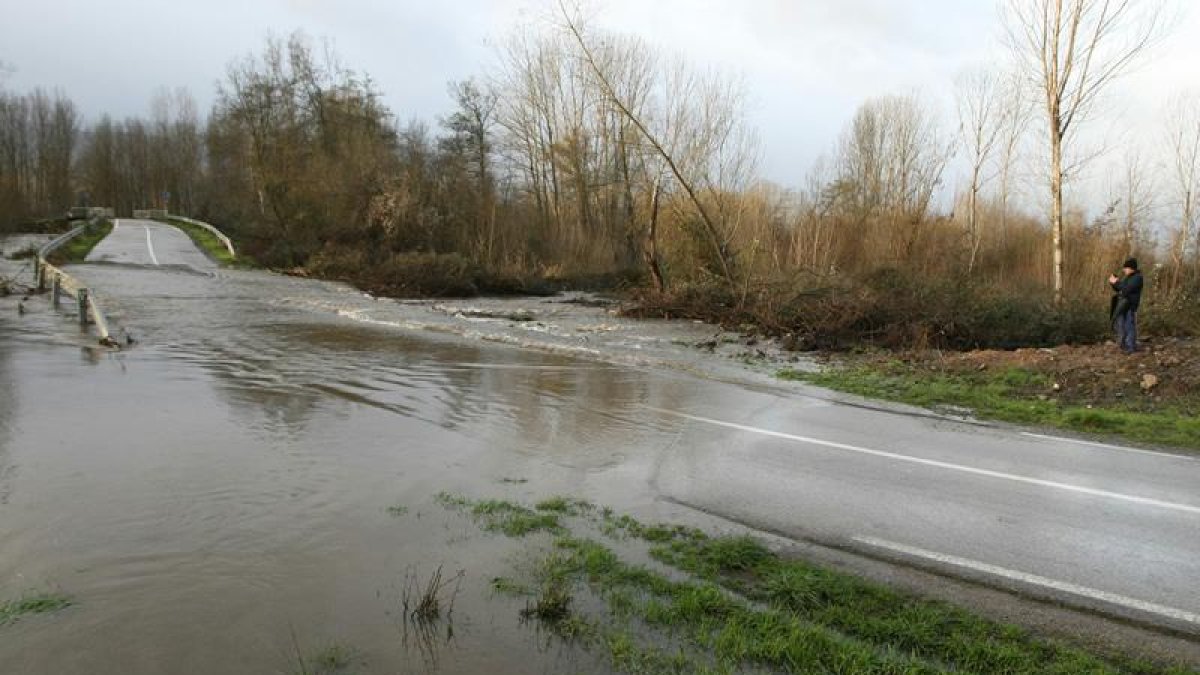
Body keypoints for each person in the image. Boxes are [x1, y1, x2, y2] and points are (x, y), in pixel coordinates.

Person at [1108, 258, 1144, 354]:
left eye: (1126, 268)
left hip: (1129, 306)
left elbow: (1127, 289)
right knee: (1121, 326)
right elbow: (1120, 289)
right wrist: (1113, 283)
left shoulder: (1137, 278)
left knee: (1129, 326)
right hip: (1122, 305)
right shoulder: (1128, 277)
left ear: (1131, 268)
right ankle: (1123, 345)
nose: (1124, 270)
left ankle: (1130, 347)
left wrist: (1116, 282)